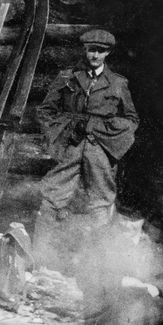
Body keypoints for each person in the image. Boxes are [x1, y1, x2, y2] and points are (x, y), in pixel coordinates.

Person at [36, 29, 139, 246]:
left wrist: (110, 138)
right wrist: (57, 140)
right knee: (52, 196)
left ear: (108, 53)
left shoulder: (118, 83)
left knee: (101, 203)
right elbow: (45, 111)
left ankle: (97, 262)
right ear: (85, 49)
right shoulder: (68, 76)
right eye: (92, 50)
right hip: (71, 146)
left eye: (100, 51)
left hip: (99, 149)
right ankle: (40, 254)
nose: (95, 55)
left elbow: (131, 120)